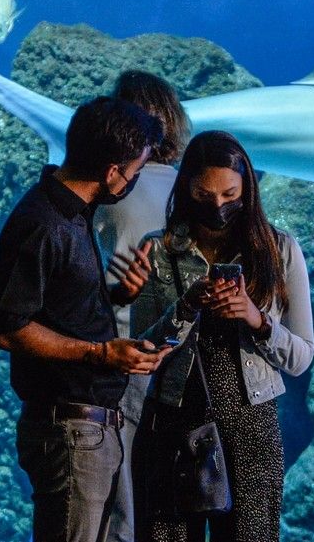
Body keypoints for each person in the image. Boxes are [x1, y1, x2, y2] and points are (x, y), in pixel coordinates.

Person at [0, 95, 169, 542]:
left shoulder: (74, 215)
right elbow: (6, 328)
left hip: (90, 429)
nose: (134, 181)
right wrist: (101, 352)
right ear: (111, 172)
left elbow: (55, 307)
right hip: (69, 430)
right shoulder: (44, 224)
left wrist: (117, 295)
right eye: (135, 171)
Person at [131, 130, 314, 542]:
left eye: (230, 194)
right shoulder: (157, 251)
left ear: (247, 188)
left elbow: (302, 357)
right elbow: (142, 351)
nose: (218, 205)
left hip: (251, 424)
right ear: (186, 189)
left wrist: (257, 319)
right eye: (204, 194)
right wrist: (184, 309)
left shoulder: (280, 250)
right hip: (173, 421)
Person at [95, 70, 189, 542]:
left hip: (123, 355)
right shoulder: (194, 193)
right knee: (169, 501)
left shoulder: (107, 194)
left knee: (120, 498)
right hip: (186, 360)